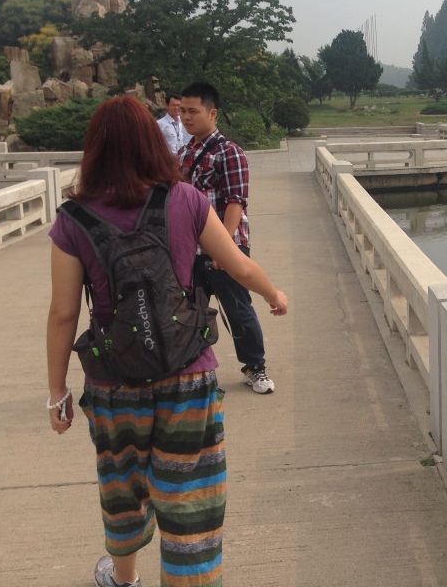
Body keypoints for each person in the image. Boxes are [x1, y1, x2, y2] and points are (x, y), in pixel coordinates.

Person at [46, 96, 288, 587]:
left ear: (94, 150)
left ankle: (124, 578)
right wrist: (273, 293)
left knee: (123, 490)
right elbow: (235, 265)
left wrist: (57, 392)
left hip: (115, 385)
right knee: (190, 500)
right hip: (188, 376)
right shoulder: (186, 199)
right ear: (155, 143)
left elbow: (63, 313)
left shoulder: (74, 219)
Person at [178, 81, 275, 394]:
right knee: (188, 311)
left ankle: (255, 368)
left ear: (213, 112)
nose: (186, 117)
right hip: (189, 249)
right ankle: (195, 373)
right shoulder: (183, 154)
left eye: (193, 111)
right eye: (182, 111)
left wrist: (225, 248)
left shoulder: (229, 153)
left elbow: (235, 202)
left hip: (225, 246)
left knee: (237, 307)